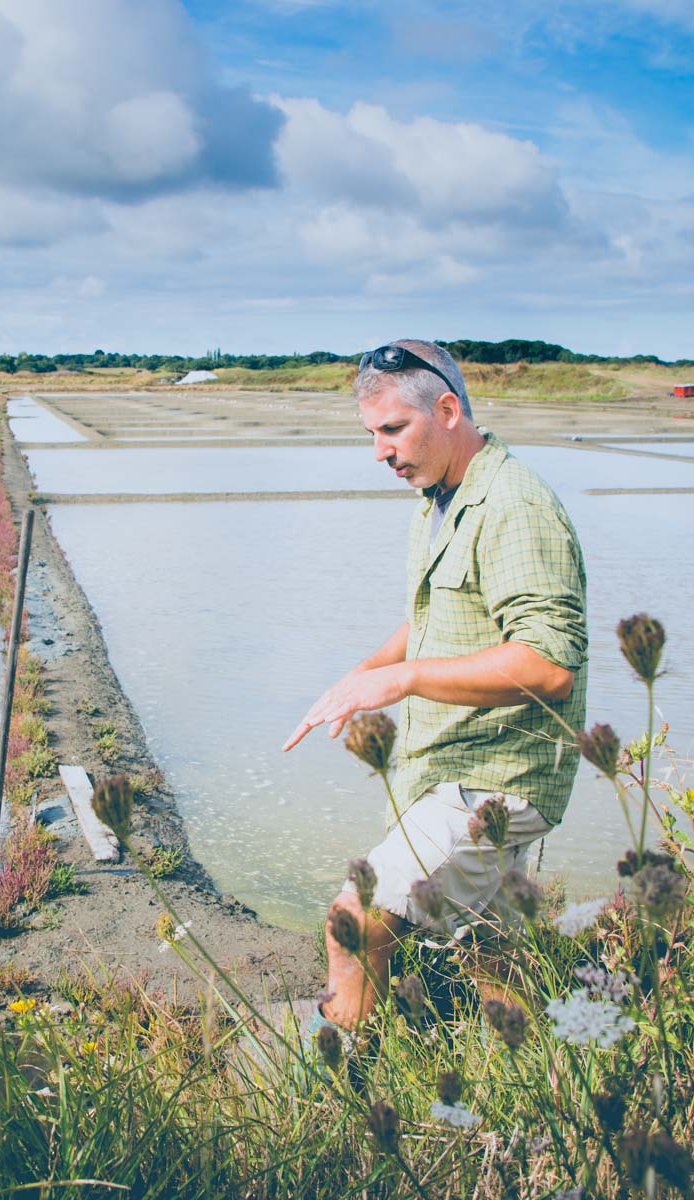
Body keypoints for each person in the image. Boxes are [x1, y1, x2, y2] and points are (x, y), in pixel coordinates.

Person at [282, 339, 588, 1032]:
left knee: (353, 924)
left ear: (447, 409)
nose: (380, 453)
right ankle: (541, 1078)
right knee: (486, 947)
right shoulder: (441, 494)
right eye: (371, 435)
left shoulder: (515, 508)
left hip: (494, 779)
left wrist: (404, 679)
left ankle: (346, 1089)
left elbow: (549, 666)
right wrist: (366, 673)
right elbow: (437, 617)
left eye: (393, 430)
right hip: (450, 766)